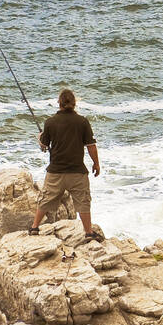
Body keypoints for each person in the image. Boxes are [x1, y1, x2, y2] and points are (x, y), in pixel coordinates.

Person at [30, 88, 100, 239]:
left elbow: (44, 145)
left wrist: (40, 138)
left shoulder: (50, 122)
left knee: (45, 199)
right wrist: (96, 164)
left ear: (59, 103)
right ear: (74, 104)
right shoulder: (82, 122)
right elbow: (91, 146)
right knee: (83, 201)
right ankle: (88, 232)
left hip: (56, 171)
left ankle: (34, 227)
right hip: (77, 172)